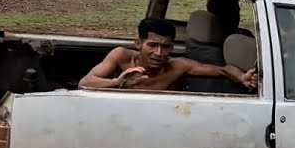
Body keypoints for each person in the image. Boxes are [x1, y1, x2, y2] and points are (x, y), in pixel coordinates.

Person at [79, 17, 258, 91]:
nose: (158, 53)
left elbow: (223, 70)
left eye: (165, 47)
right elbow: (85, 82)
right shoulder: (122, 56)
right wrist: (117, 83)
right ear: (138, 43)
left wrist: (242, 78)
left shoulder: (178, 66)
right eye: (152, 45)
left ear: (172, 47)